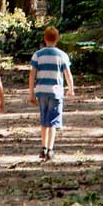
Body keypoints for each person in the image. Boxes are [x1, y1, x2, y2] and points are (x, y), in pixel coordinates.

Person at [28, 25, 74, 161]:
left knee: (44, 120)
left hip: (41, 91)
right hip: (56, 92)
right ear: (57, 39)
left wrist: (31, 93)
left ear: (44, 38)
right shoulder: (62, 55)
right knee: (53, 121)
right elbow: (67, 74)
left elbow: (32, 74)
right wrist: (71, 88)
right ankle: (50, 149)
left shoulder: (38, 55)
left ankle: (43, 148)